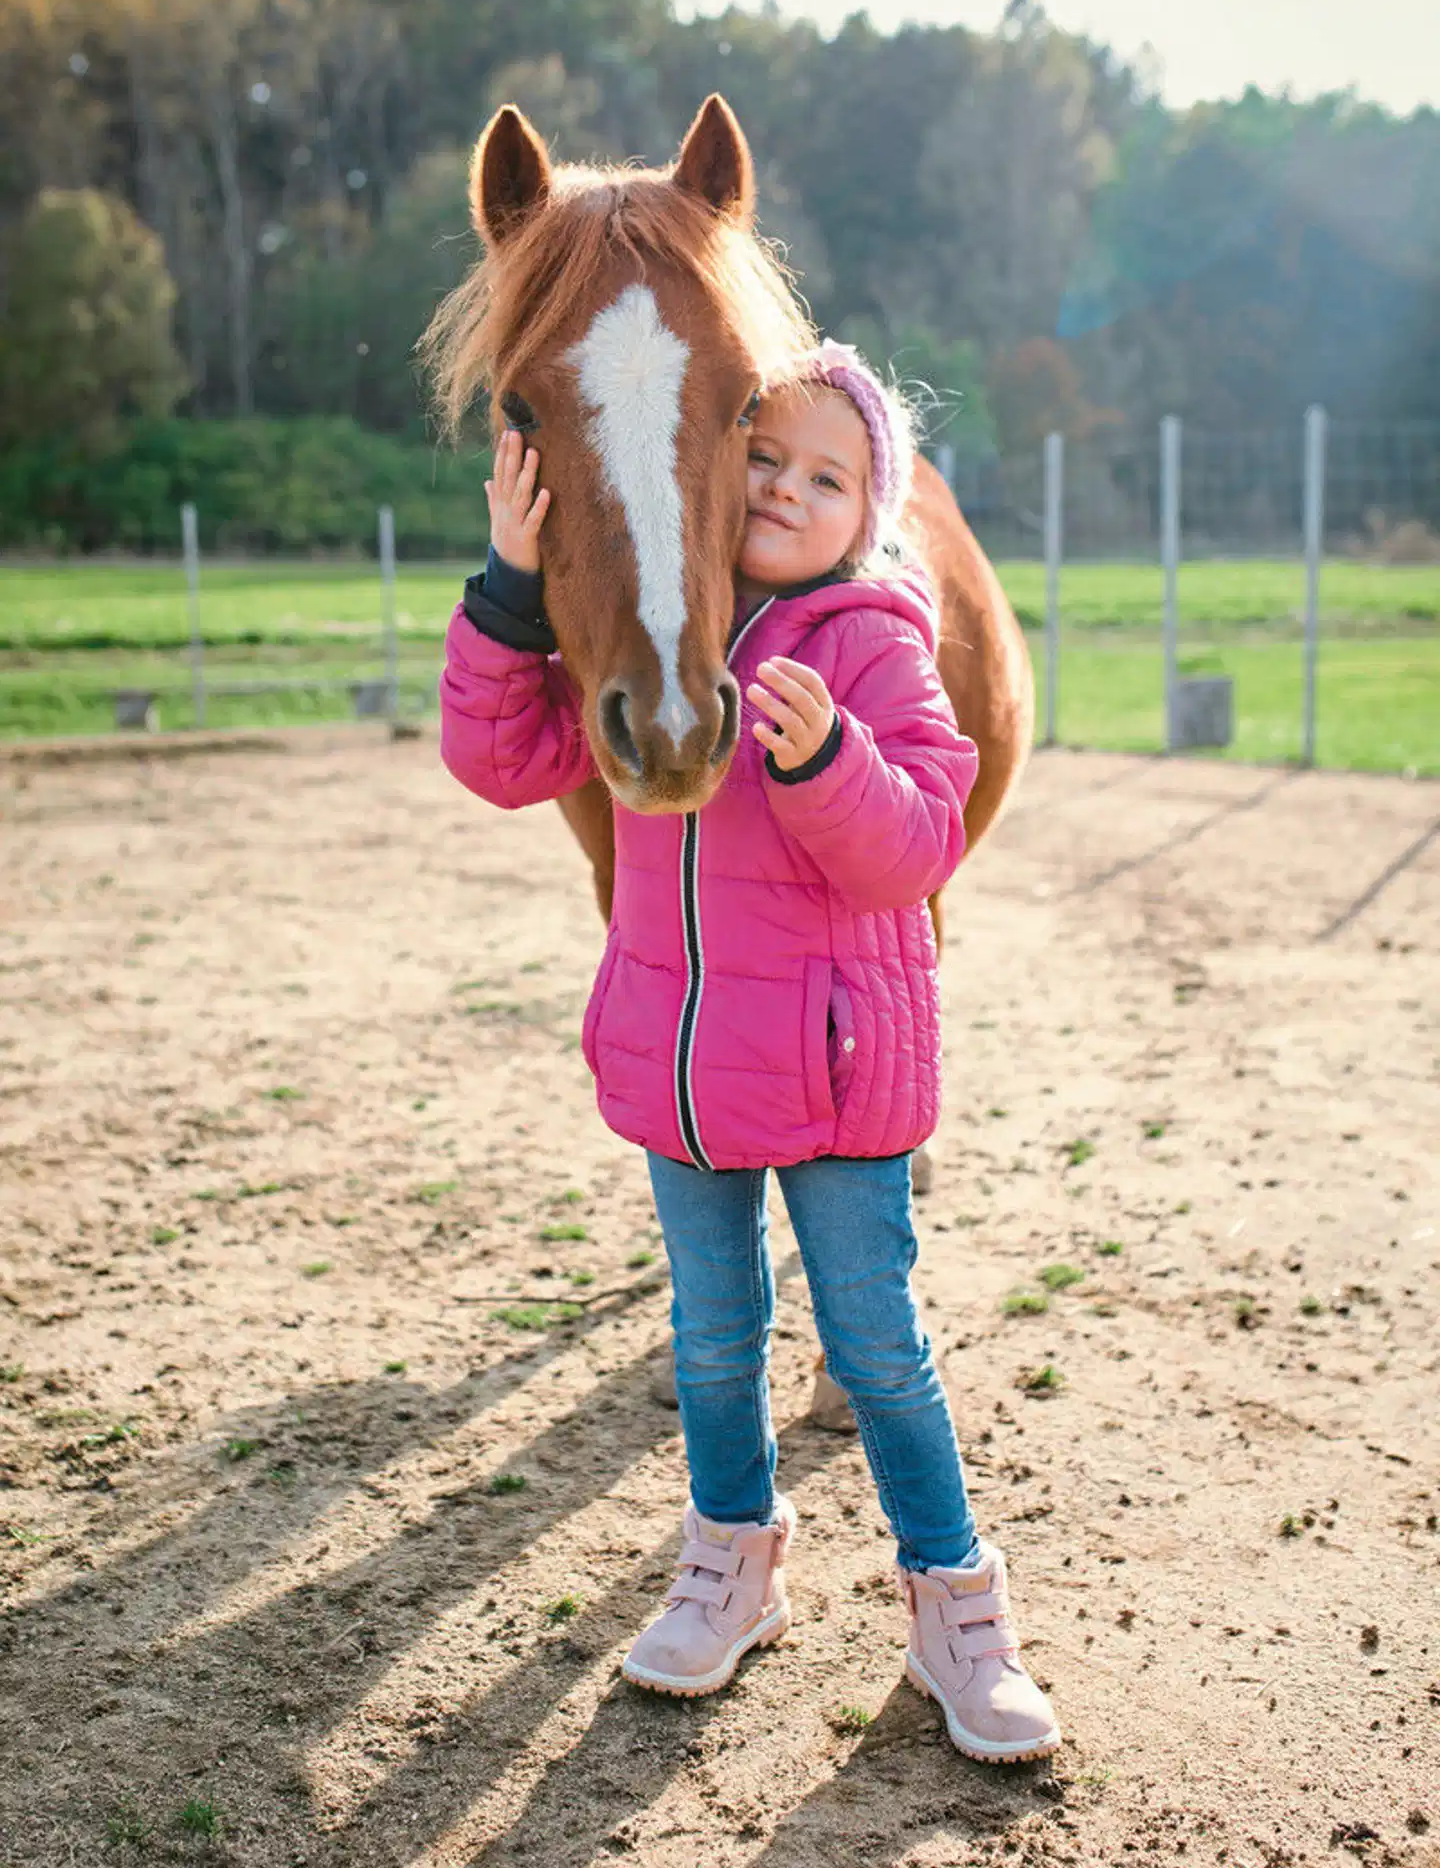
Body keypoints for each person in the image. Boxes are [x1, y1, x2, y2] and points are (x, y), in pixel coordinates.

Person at [439, 339, 1061, 1763]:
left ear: (874, 511)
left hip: (842, 1085)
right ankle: (730, 1572)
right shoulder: (667, 640)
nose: (783, 489)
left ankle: (960, 1618)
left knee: (881, 1353)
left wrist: (826, 757)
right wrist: (511, 583)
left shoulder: (879, 642)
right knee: (715, 1350)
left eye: (826, 477)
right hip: (687, 1071)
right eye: (760, 458)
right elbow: (499, 758)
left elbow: (918, 846)